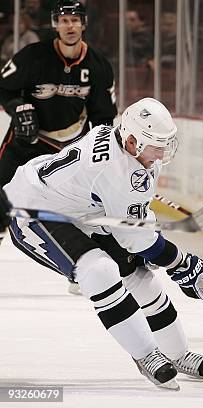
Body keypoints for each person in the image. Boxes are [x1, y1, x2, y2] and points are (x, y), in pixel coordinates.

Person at [4, 97, 203, 390]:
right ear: (132, 141)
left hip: (78, 207)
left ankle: (178, 353)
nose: (162, 154)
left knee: (139, 277)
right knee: (99, 271)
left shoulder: (130, 151)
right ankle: (146, 355)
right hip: (32, 209)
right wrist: (182, 262)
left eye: (166, 144)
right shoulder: (116, 169)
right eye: (157, 145)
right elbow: (137, 239)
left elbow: (137, 218)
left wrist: (168, 258)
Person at [0, 0, 117, 294]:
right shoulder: (32, 56)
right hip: (26, 142)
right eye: (64, 20)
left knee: (76, 208)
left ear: (84, 24)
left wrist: (99, 148)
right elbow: (4, 87)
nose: (70, 25)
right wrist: (19, 108)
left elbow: (104, 117)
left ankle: (79, 264)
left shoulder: (99, 65)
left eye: (75, 20)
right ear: (55, 24)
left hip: (66, 151)